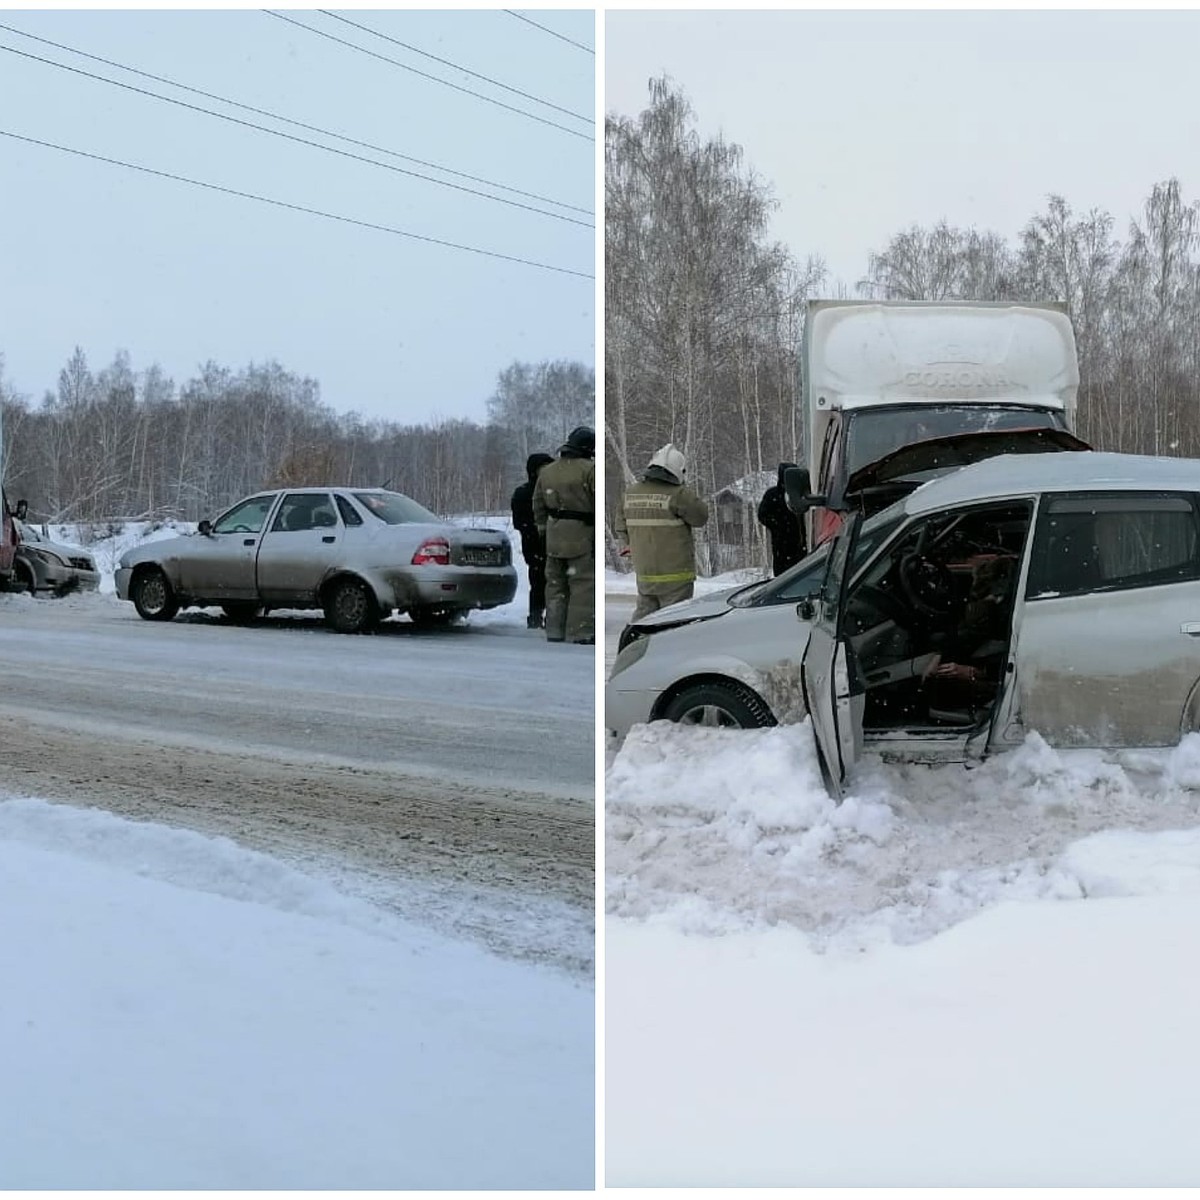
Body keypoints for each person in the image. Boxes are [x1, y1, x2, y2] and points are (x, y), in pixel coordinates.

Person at [616, 443, 709, 623]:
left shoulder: (630, 493)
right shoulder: (678, 494)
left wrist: (634, 545)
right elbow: (701, 517)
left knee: (644, 619)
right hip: (676, 576)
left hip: (645, 574)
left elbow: (621, 527)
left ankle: (634, 646)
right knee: (673, 623)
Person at [532, 426, 595, 644]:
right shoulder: (589, 470)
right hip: (581, 533)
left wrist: (543, 528)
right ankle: (580, 632)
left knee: (555, 585)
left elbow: (538, 503)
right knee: (583, 585)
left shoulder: (548, 471)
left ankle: (554, 630)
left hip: (554, 534)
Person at [510, 452, 554, 629]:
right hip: (540, 544)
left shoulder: (524, 492)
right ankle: (541, 616)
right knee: (545, 582)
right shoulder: (535, 492)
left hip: (536, 544)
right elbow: (520, 522)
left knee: (540, 582)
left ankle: (537, 616)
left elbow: (519, 523)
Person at [757, 461, 807, 576]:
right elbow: (762, 515)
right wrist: (778, 526)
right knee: (783, 577)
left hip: (799, 545)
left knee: (799, 576)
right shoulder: (773, 494)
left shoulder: (798, 494)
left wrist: (803, 540)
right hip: (781, 546)